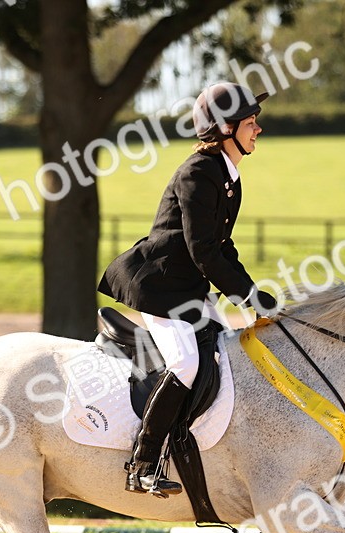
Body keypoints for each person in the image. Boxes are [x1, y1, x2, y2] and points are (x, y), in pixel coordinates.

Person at [97, 82, 280, 496]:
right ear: (226, 128)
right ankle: (142, 464)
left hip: (187, 288)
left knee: (224, 354)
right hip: (159, 286)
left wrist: (253, 293)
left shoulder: (227, 175)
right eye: (251, 122)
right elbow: (203, 251)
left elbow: (222, 246)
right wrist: (247, 297)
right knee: (184, 365)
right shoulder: (199, 173)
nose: (258, 129)